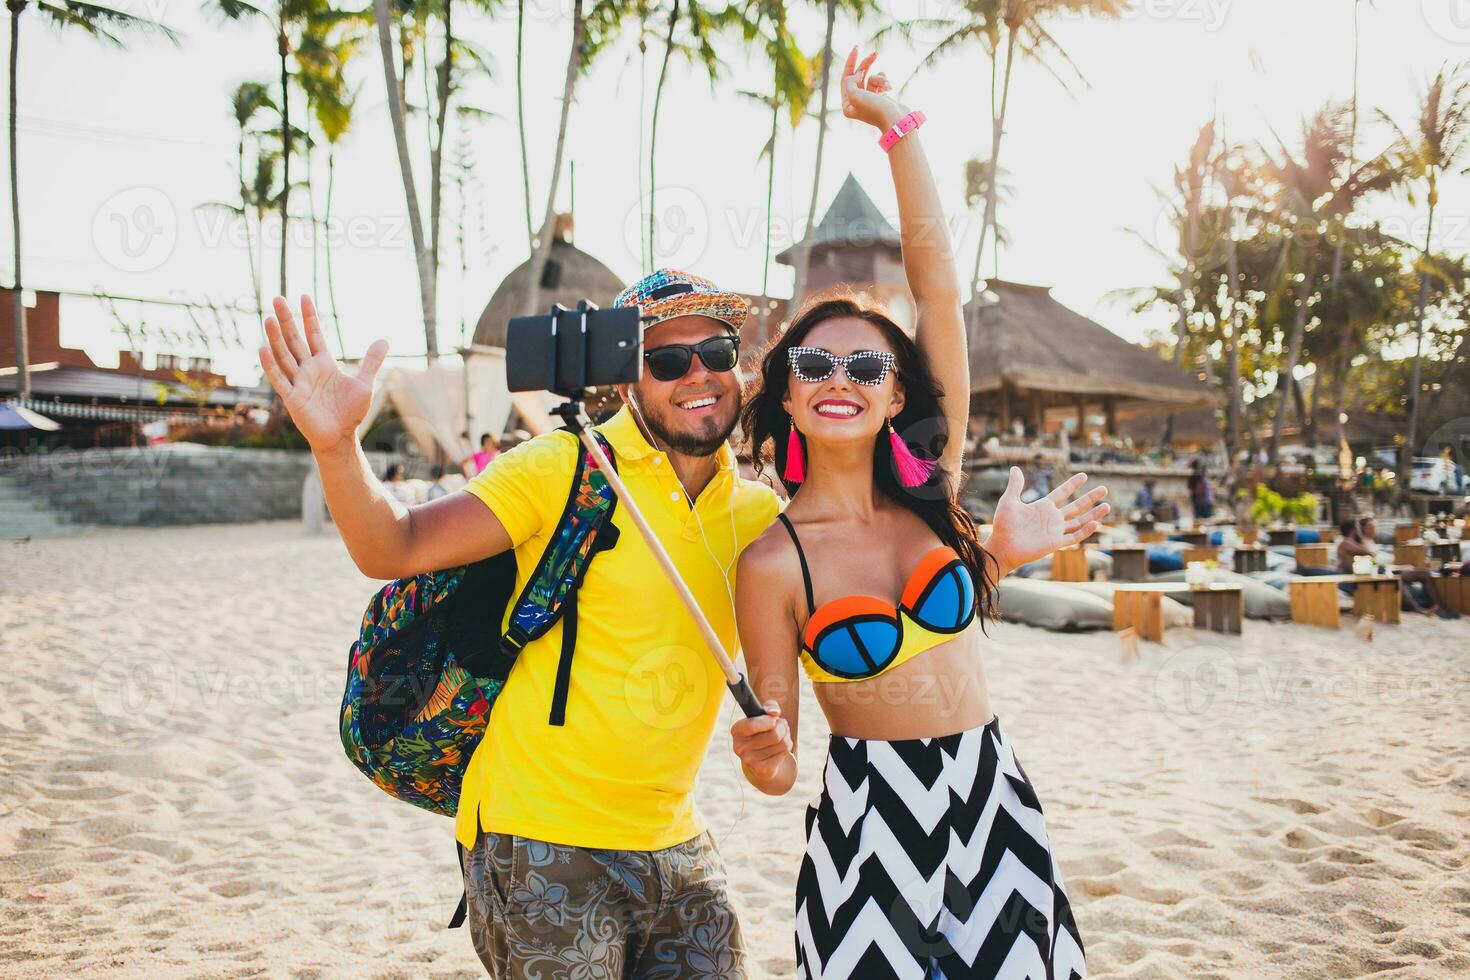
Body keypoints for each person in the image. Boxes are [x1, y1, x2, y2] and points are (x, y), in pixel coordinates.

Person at [257, 270, 783, 976]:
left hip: (678, 844)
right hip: (541, 838)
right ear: (628, 381)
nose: (698, 374)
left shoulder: (758, 517)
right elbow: (395, 545)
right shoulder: (562, 466)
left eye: (716, 353)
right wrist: (335, 447)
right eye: (665, 359)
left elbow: (789, 736)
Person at [728, 46, 1108, 979]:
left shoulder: (935, 490)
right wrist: (761, 753)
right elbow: (777, 767)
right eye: (814, 366)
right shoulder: (773, 564)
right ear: (785, 395)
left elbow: (937, 288)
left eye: (867, 366)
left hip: (992, 794)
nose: (840, 380)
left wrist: (896, 128)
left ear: (898, 394)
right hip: (869, 820)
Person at [1338, 515, 1459, 619]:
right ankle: (1418, 609)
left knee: (1424, 573)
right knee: (1397, 578)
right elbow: (1368, 552)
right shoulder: (1346, 543)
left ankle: (1440, 608)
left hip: (1379, 571)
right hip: (1371, 575)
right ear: (1354, 529)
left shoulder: (1354, 542)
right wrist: (1361, 536)